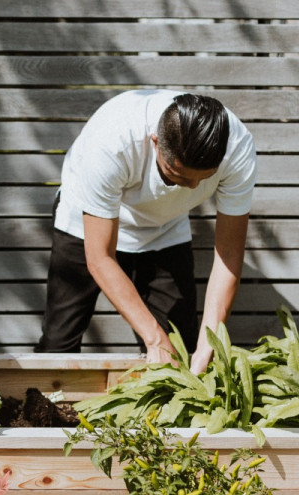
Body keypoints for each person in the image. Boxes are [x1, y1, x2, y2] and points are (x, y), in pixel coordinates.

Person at [35, 90, 257, 374]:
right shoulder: (112, 142)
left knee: (180, 349)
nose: (192, 188)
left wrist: (208, 343)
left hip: (165, 227)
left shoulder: (237, 148)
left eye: (204, 178)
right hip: (85, 223)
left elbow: (228, 252)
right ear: (155, 142)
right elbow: (100, 258)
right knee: (58, 344)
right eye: (177, 176)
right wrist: (154, 339)